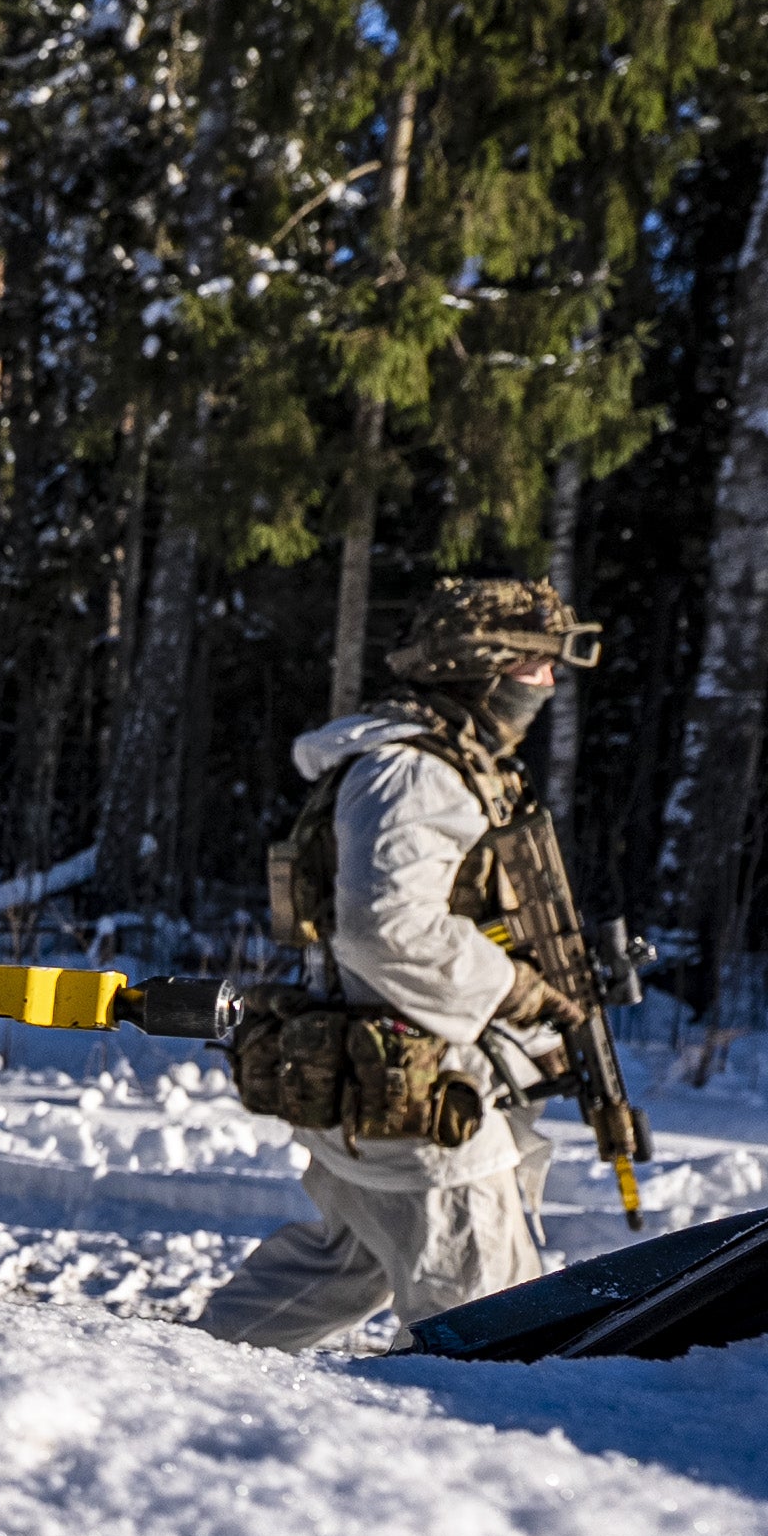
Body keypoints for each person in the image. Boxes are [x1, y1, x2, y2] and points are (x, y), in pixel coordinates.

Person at [195, 577, 601, 1351]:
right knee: (491, 1328)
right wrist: (514, 989)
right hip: (419, 1105)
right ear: (479, 669)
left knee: (341, 1266)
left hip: (391, 1087)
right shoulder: (414, 773)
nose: (549, 681)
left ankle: (188, 1372)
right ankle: (471, 1440)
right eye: (535, 663)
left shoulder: (431, 765)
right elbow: (386, 927)